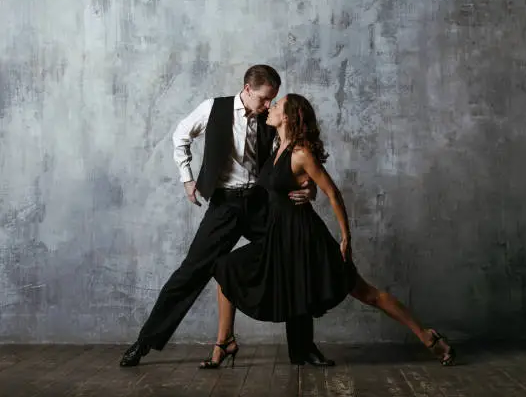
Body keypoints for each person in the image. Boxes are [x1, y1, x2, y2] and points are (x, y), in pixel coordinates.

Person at [210, 93, 456, 368]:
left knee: (367, 293)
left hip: (307, 239)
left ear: (288, 117)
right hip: (279, 239)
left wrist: (345, 237)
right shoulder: (278, 147)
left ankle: (427, 336)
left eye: (277, 105)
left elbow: (333, 193)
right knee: (226, 267)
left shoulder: (301, 153)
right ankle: (227, 340)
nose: (271, 106)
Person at [119, 65, 334, 368]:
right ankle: (144, 342)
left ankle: (303, 348)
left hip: (261, 203)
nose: (267, 105)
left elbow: (292, 157)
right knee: (191, 271)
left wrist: (308, 187)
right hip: (226, 205)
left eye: (272, 100)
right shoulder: (214, 109)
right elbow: (181, 135)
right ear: (247, 89)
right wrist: (187, 179)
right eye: (263, 99)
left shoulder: (270, 119)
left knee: (292, 258)